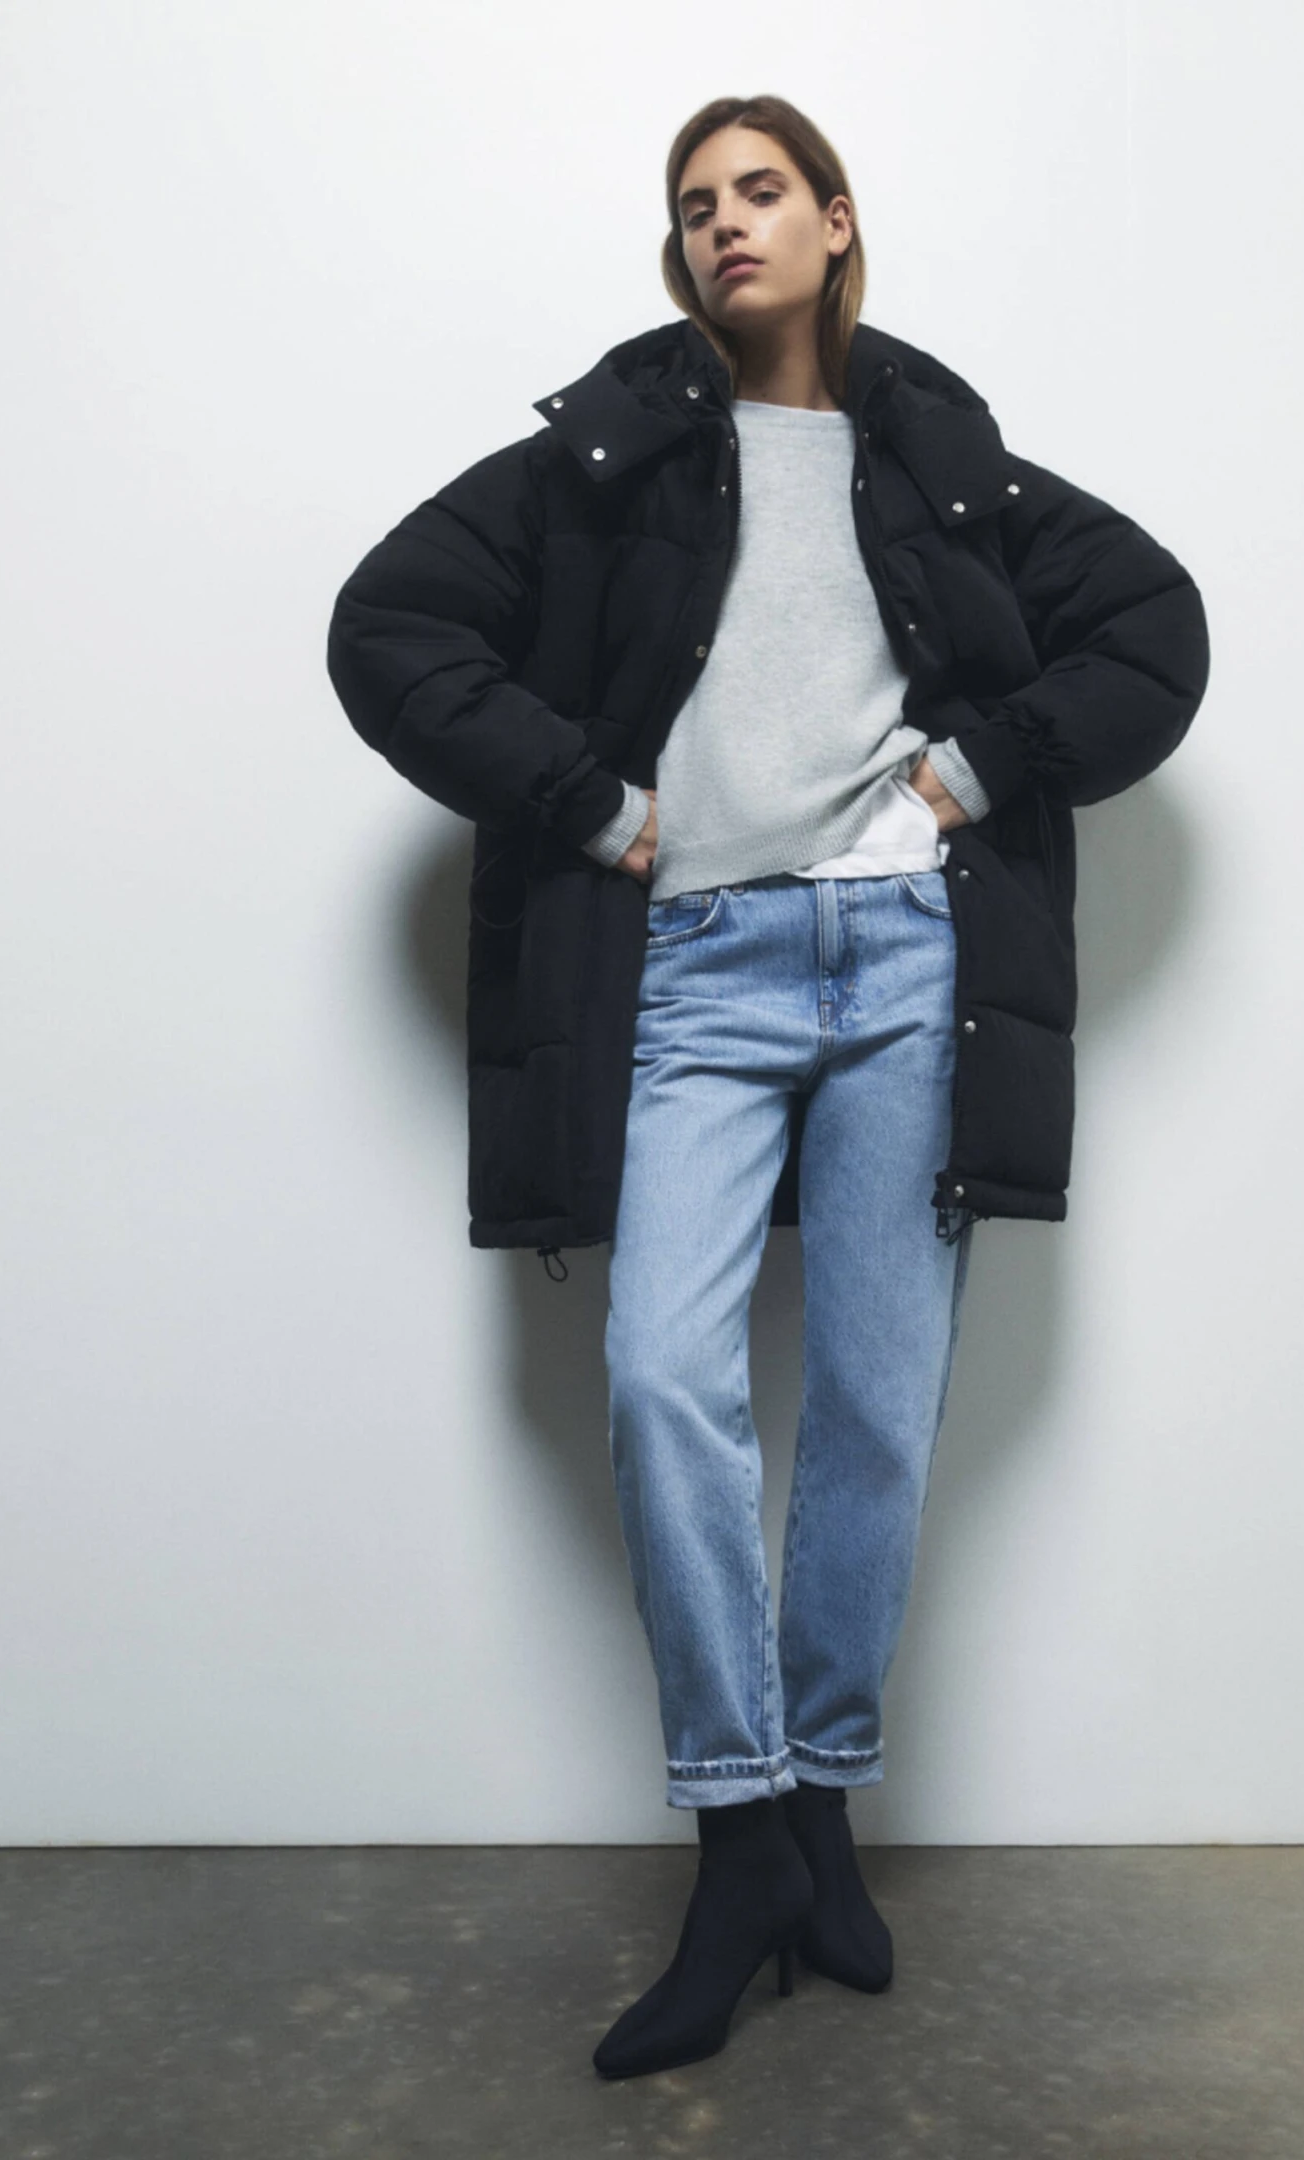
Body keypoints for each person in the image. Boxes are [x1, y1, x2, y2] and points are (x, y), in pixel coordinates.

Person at [325, 93, 1210, 2085]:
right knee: (665, 1377)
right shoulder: (607, 458)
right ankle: (741, 1837)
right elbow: (390, 628)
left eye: (759, 190)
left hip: (909, 967)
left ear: (834, 217)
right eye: (694, 204)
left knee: (880, 1407)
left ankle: (820, 1806)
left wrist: (977, 768)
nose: (726, 223)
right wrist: (583, 798)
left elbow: (1154, 628)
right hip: (695, 971)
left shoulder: (943, 461)